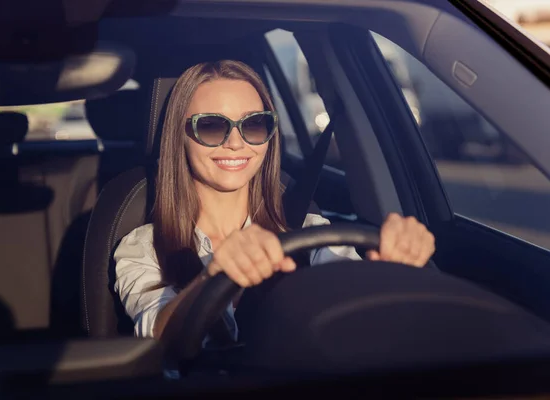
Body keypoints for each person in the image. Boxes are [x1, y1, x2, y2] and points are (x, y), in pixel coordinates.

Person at [114, 60, 436, 344]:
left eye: (254, 124)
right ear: (178, 137)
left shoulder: (311, 233)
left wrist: (392, 270)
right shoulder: (145, 246)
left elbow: (353, 301)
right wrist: (212, 277)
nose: (236, 143)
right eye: (211, 126)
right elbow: (155, 331)